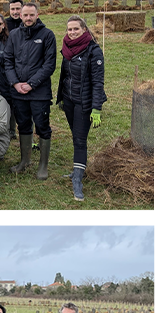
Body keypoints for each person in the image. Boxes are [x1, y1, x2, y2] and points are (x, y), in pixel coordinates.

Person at [56, 15, 106, 202]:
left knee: (80, 139)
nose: (72, 32)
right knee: (75, 135)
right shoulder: (67, 48)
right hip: (69, 100)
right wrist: (61, 97)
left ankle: (77, 179)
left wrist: (96, 108)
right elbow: (65, 75)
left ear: (84, 29)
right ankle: (78, 168)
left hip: (84, 102)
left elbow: (98, 82)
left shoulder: (93, 51)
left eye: (76, 29)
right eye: (69, 29)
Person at [4, 2, 57, 179]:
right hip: (18, 90)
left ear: (37, 14)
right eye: (25, 15)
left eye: (31, 15)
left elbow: (50, 64)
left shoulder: (47, 35)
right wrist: (15, 83)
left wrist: (32, 84)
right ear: (20, 16)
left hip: (39, 91)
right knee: (23, 125)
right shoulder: (14, 35)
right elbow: (8, 61)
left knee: (42, 125)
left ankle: (43, 165)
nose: (28, 18)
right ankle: (24, 161)